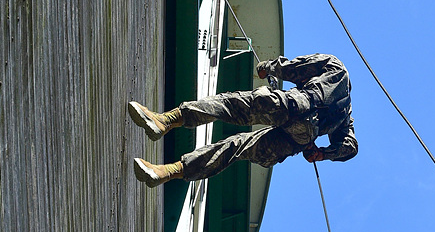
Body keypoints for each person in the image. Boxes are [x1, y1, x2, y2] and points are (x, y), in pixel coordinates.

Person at [129, 53, 357, 187]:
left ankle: (166, 120)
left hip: (295, 105)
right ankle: (168, 172)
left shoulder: (336, 68)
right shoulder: (345, 114)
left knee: (230, 105)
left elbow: (297, 68)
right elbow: (349, 147)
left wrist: (268, 68)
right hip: (298, 139)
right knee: (236, 147)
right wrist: (323, 154)